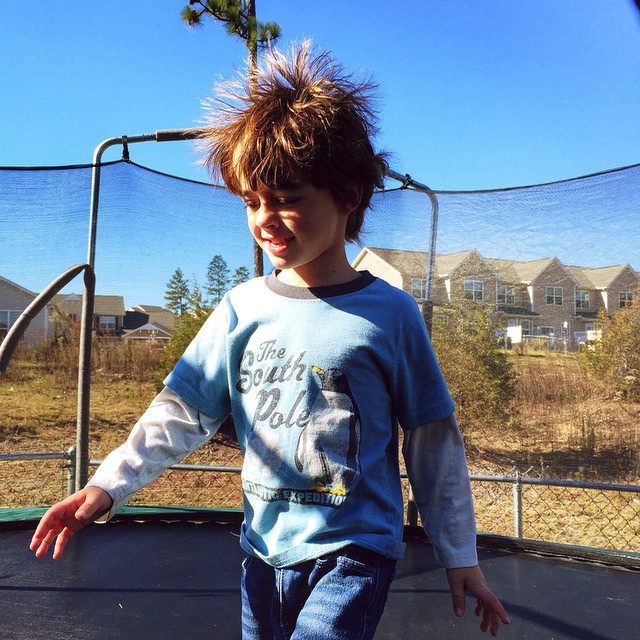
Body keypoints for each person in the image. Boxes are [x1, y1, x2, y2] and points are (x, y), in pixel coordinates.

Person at [30, 42, 510, 638]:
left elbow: (433, 442)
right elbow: (180, 413)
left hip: (353, 552)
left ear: (349, 196)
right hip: (261, 546)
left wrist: (458, 555)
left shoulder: (390, 313)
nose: (265, 220)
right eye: (253, 202)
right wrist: (107, 486)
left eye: (287, 200)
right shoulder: (243, 307)